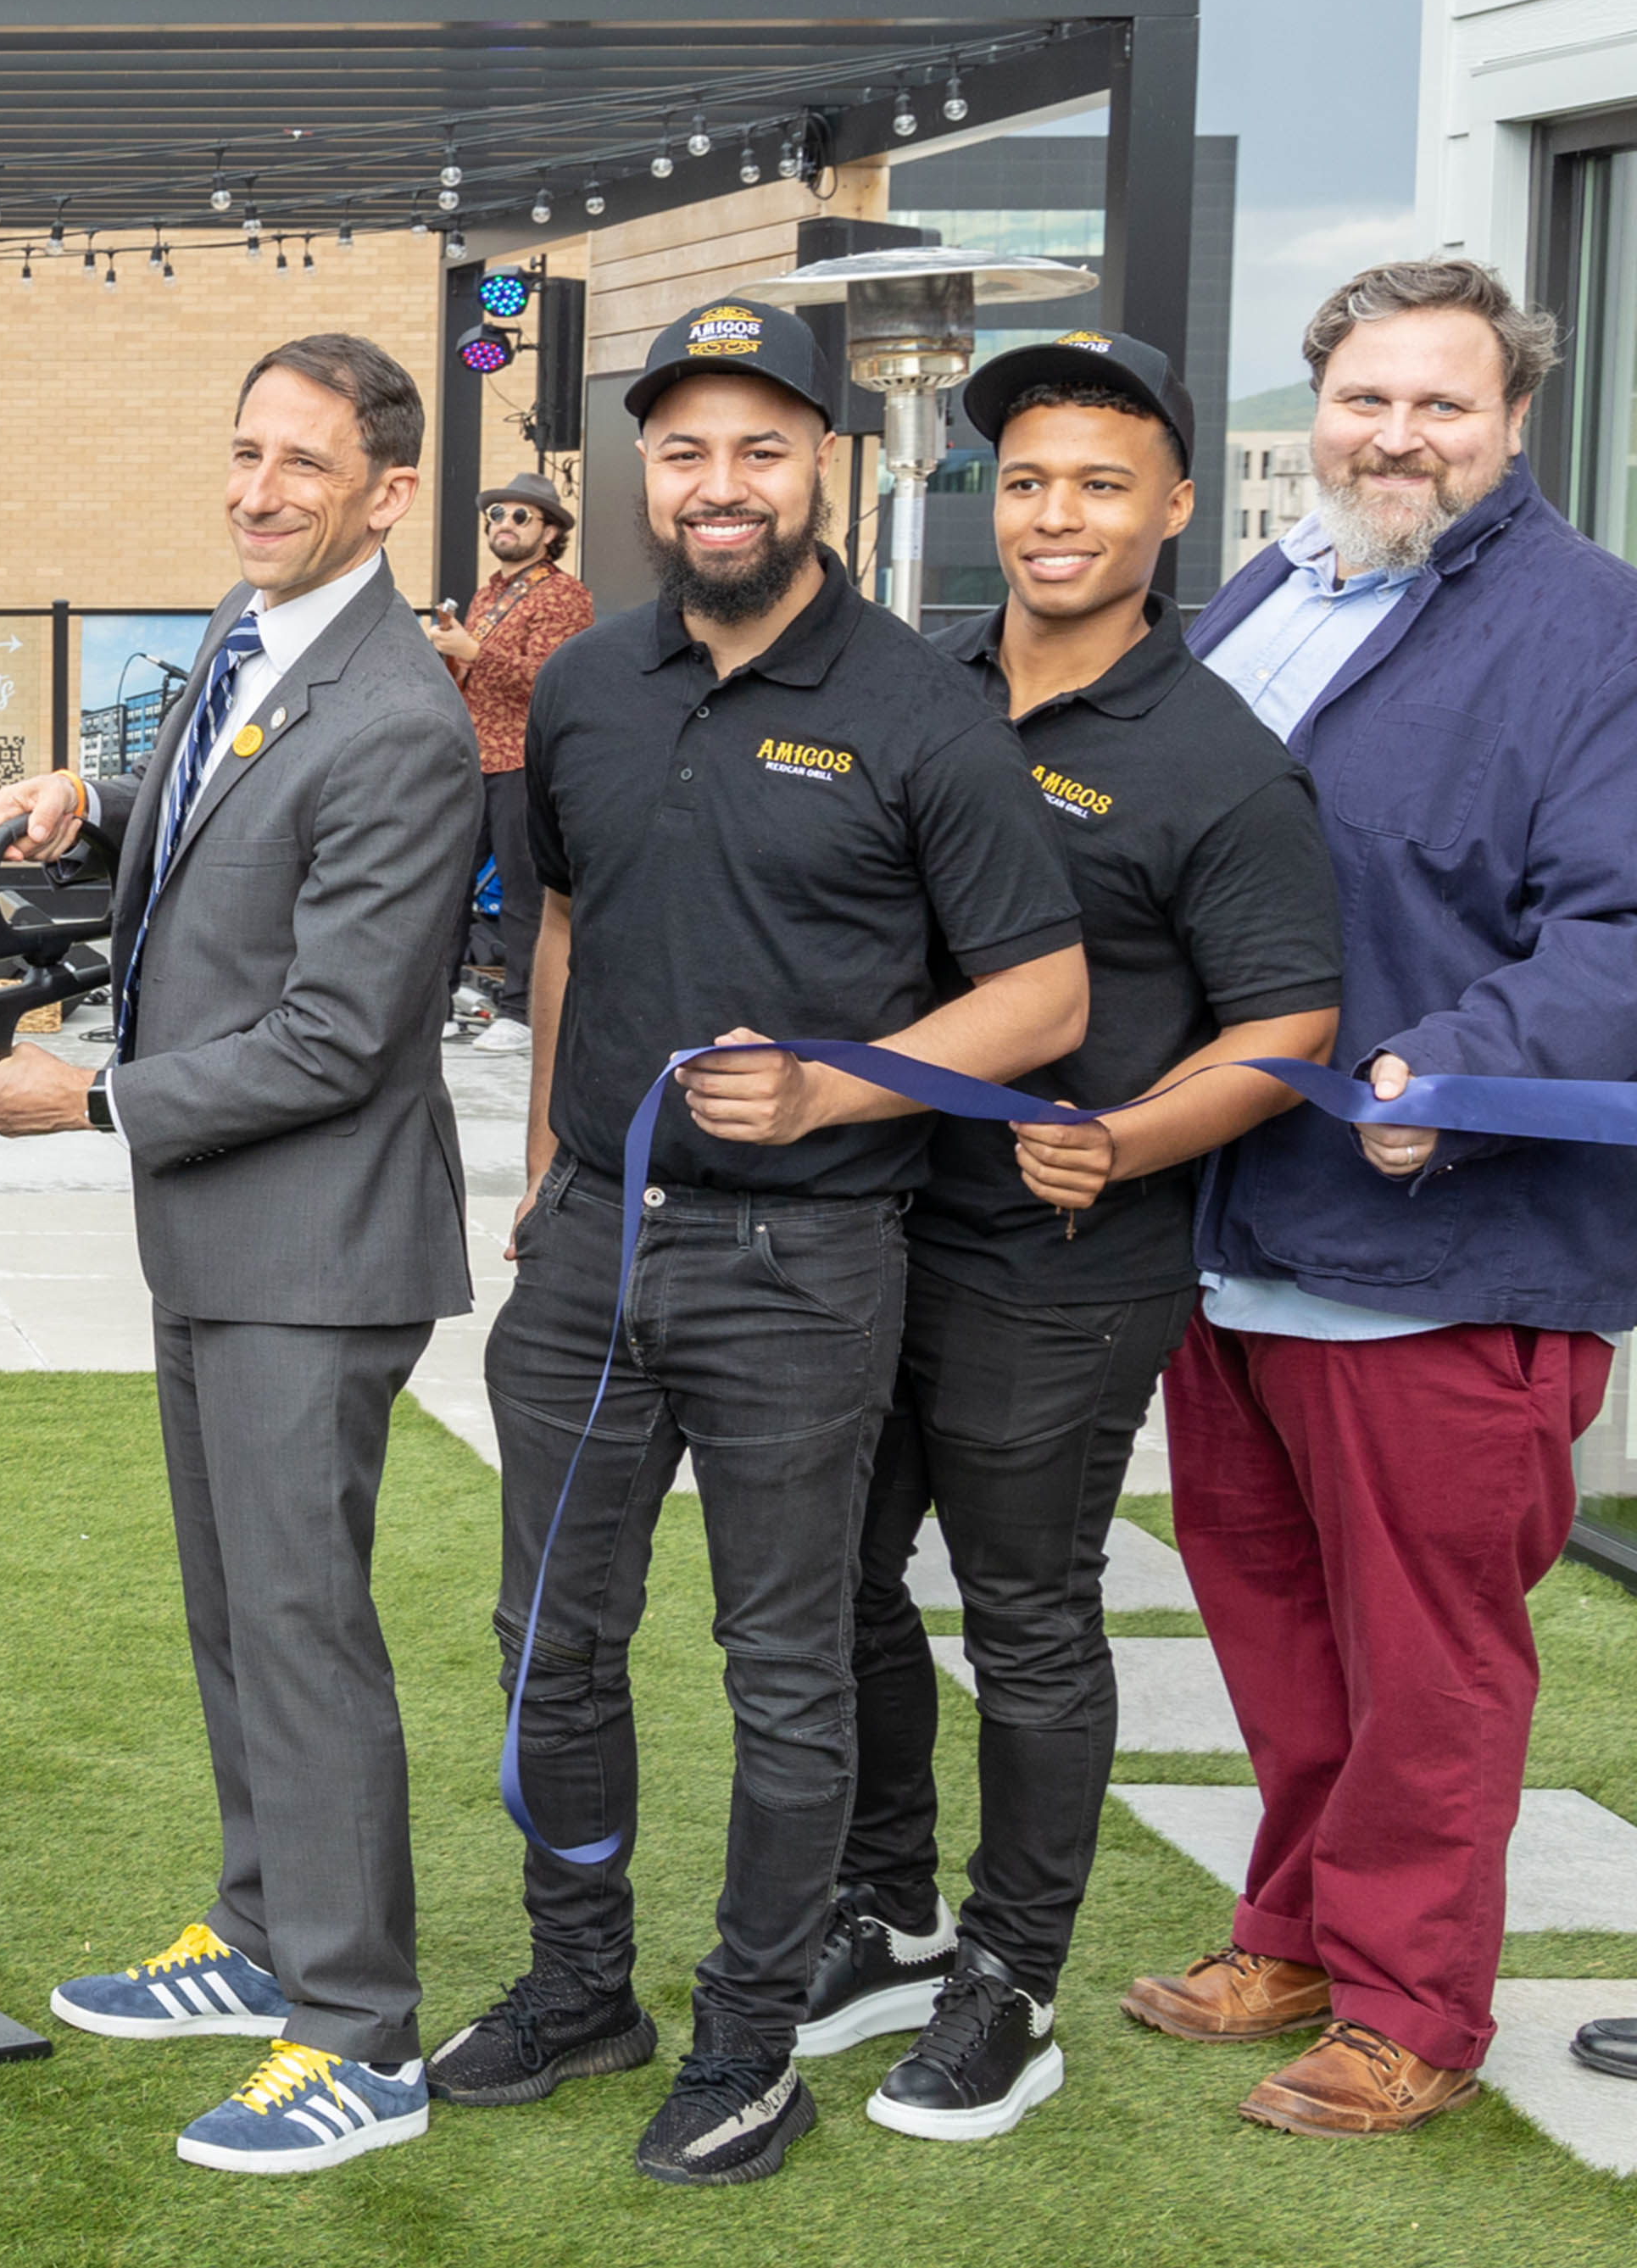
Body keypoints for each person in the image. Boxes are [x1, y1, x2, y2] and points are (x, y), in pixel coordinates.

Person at [440, 298, 1088, 2187]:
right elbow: (561, 924)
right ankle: (583, 1989)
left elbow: (1042, 995)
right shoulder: (586, 683)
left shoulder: (916, 709)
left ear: (825, 466)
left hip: (808, 1265)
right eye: (684, 450)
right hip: (594, 1247)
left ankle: (744, 2045)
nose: (719, 487)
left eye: (760, 448)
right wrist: (557, 1161)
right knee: (546, 1641)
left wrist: (839, 1088)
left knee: (780, 1664)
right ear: (639, 476)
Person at [810, 333, 1342, 2143]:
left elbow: (1287, 1030)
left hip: (1063, 1267)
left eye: (1101, 484)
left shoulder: (1219, 760)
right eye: (1027, 479)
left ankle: (1010, 1981)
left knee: (1026, 1615)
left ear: (1175, 510)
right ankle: (887, 1913)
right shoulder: (916, 683)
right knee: (840, 1584)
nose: (1055, 515)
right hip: (866, 1221)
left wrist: (1122, 1141)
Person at [1131, 259, 1637, 2137]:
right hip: (1234, 1230)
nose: (1397, 435)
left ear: (1515, 427)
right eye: (1365, 398)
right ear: (1314, 412)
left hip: (1447, 1242)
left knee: (1429, 1663)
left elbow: (1624, 923)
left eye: (1443, 404)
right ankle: (1295, 1927)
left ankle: (1414, 2009)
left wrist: (1467, 1074)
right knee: (1273, 1624)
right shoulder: (1271, 592)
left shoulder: (1597, 631)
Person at [0, 335, 480, 2175]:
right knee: (234, 1616)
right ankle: (266, 1938)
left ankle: (360, 2036)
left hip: (318, 1248)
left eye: (304, 464)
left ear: (389, 494)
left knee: (301, 1628)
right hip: (221, 1238)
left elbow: (341, 1034)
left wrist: (92, 1100)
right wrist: (93, 812)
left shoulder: (406, 719)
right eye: (245, 452)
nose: (260, 489)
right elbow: (207, 860)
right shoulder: (253, 638)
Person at [430, 471, 592, 1054]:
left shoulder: (564, 596)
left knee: (526, 892)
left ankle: (521, 1012)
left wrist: (473, 650)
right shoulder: (487, 594)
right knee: (444, 885)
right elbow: (475, 679)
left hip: (524, 759)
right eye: (496, 515)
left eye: (520, 516)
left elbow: (554, 681)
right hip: (470, 757)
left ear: (550, 531)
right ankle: (436, 1001)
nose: (503, 525)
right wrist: (450, 656)